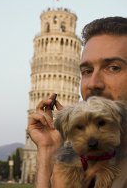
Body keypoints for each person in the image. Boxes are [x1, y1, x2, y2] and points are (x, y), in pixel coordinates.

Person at [28, 16, 127, 188]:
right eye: (87, 71)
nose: (93, 83)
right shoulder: (80, 157)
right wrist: (48, 152)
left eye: (113, 67)